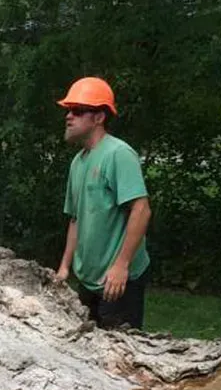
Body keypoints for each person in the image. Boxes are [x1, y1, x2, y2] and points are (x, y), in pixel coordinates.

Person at [54, 77, 151, 329]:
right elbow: (76, 219)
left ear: (99, 117)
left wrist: (121, 266)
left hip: (117, 282)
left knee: (119, 360)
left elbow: (141, 210)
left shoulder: (118, 154)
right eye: (67, 111)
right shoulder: (78, 162)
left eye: (77, 111)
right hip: (88, 280)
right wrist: (64, 267)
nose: (68, 117)